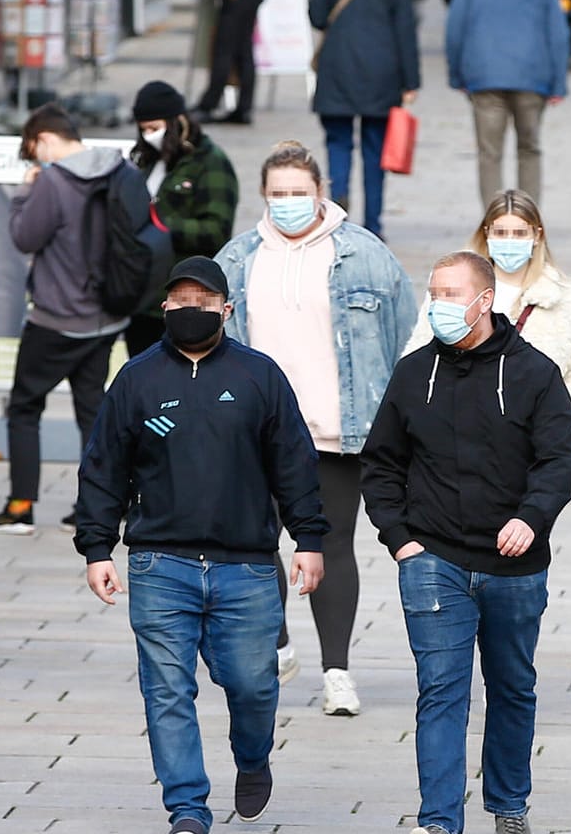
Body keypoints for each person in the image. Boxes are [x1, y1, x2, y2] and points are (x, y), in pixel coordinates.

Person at [73, 256, 329, 834]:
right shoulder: (136, 379)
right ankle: (188, 808)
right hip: (161, 562)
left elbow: (294, 463)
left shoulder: (259, 376)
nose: (191, 310)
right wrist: (96, 548)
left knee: (253, 684)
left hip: (247, 565)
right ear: (165, 308)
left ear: (226, 309)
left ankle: (252, 757)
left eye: (203, 301)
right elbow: (104, 467)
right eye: (180, 301)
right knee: (166, 690)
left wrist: (308, 538)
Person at [361, 249, 571, 834]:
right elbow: (380, 463)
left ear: (485, 301)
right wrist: (401, 539)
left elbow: (559, 459)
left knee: (512, 688)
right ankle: (438, 821)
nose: (440, 305)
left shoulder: (534, 373)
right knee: (441, 692)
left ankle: (508, 807)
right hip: (433, 560)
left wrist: (531, 518)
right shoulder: (413, 374)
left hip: (515, 564)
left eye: (452, 294)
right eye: (435, 294)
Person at [213, 141, 415, 715]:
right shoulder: (238, 260)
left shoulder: (365, 255)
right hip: (256, 431)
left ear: (321, 193)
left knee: (331, 545)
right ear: (263, 196)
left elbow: (407, 335)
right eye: (277, 195)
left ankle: (337, 671)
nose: (288, 204)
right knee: (254, 540)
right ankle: (276, 640)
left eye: (298, 194)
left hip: (337, 431)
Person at [0, 106, 132, 534]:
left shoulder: (53, 181)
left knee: (25, 407)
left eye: (34, 152)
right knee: (92, 410)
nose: (36, 161)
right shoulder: (114, 169)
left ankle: (20, 505)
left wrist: (25, 193)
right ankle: (95, 507)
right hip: (105, 318)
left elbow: (24, 237)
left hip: (56, 318)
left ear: (45, 139)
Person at [406, 191, 571, 432]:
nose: (509, 241)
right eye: (501, 233)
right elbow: (419, 352)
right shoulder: (451, 287)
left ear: (536, 236)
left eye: (520, 233)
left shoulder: (562, 295)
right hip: (462, 427)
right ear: (486, 234)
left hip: (540, 429)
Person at [310, 0, 421, 237]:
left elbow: (317, 15)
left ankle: (337, 213)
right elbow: (405, 30)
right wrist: (410, 81)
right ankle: (373, 225)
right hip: (382, 73)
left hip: (337, 68)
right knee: (376, 151)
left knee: (338, 142)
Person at [446, 0, 570, 209]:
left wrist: (457, 75)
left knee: (489, 152)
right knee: (530, 148)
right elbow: (558, 34)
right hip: (532, 77)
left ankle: (493, 219)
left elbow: (454, 31)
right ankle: (527, 217)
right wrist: (558, 83)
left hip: (484, 76)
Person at [126, 82, 240, 357]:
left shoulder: (210, 163)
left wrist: (159, 227)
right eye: (143, 129)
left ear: (177, 122)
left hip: (180, 299)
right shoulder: (147, 161)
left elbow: (216, 231)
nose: (148, 135)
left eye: (154, 128)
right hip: (140, 297)